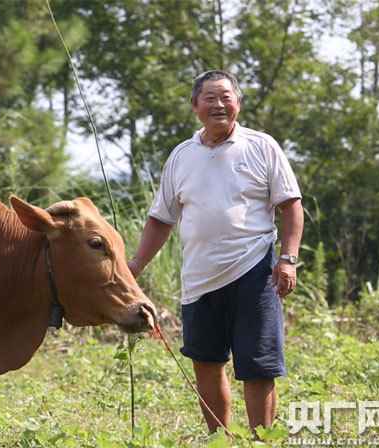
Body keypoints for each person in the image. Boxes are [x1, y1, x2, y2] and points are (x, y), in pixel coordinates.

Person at [128, 70, 303, 433]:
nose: (219, 104)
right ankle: (217, 440)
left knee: (258, 366)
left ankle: (260, 441)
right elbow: (161, 219)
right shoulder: (181, 156)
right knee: (206, 363)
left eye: (226, 97)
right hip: (199, 279)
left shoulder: (262, 146)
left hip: (255, 273)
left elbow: (291, 205)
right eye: (209, 98)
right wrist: (134, 268)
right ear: (195, 107)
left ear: (238, 103)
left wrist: (287, 259)